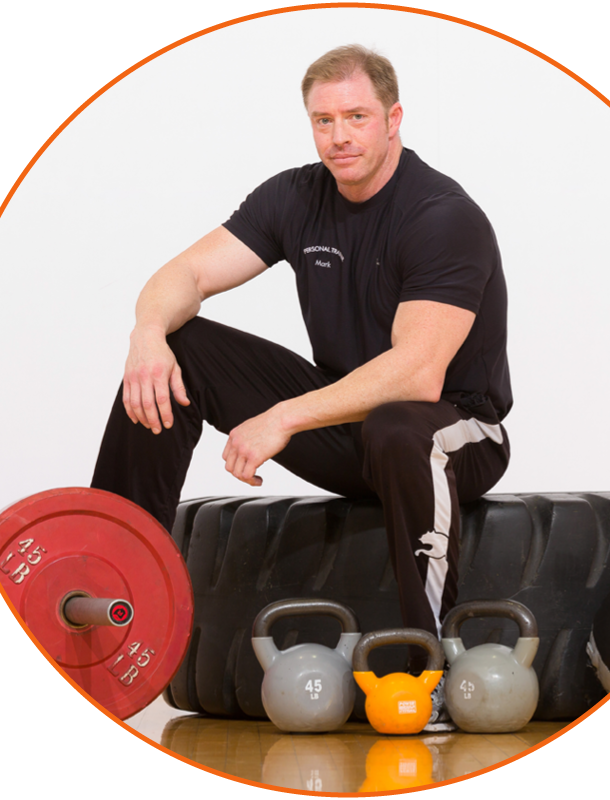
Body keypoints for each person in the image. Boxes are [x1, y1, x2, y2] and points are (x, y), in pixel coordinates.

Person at [91, 44, 512, 731]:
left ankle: (429, 667)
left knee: (399, 424)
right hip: (348, 425)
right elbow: (186, 276)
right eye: (323, 120)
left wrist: (281, 418)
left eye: (357, 117)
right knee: (181, 347)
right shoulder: (294, 196)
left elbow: (417, 373)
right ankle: (107, 582)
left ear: (393, 119)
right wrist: (147, 333)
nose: (339, 136)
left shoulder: (442, 215)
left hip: (454, 433)